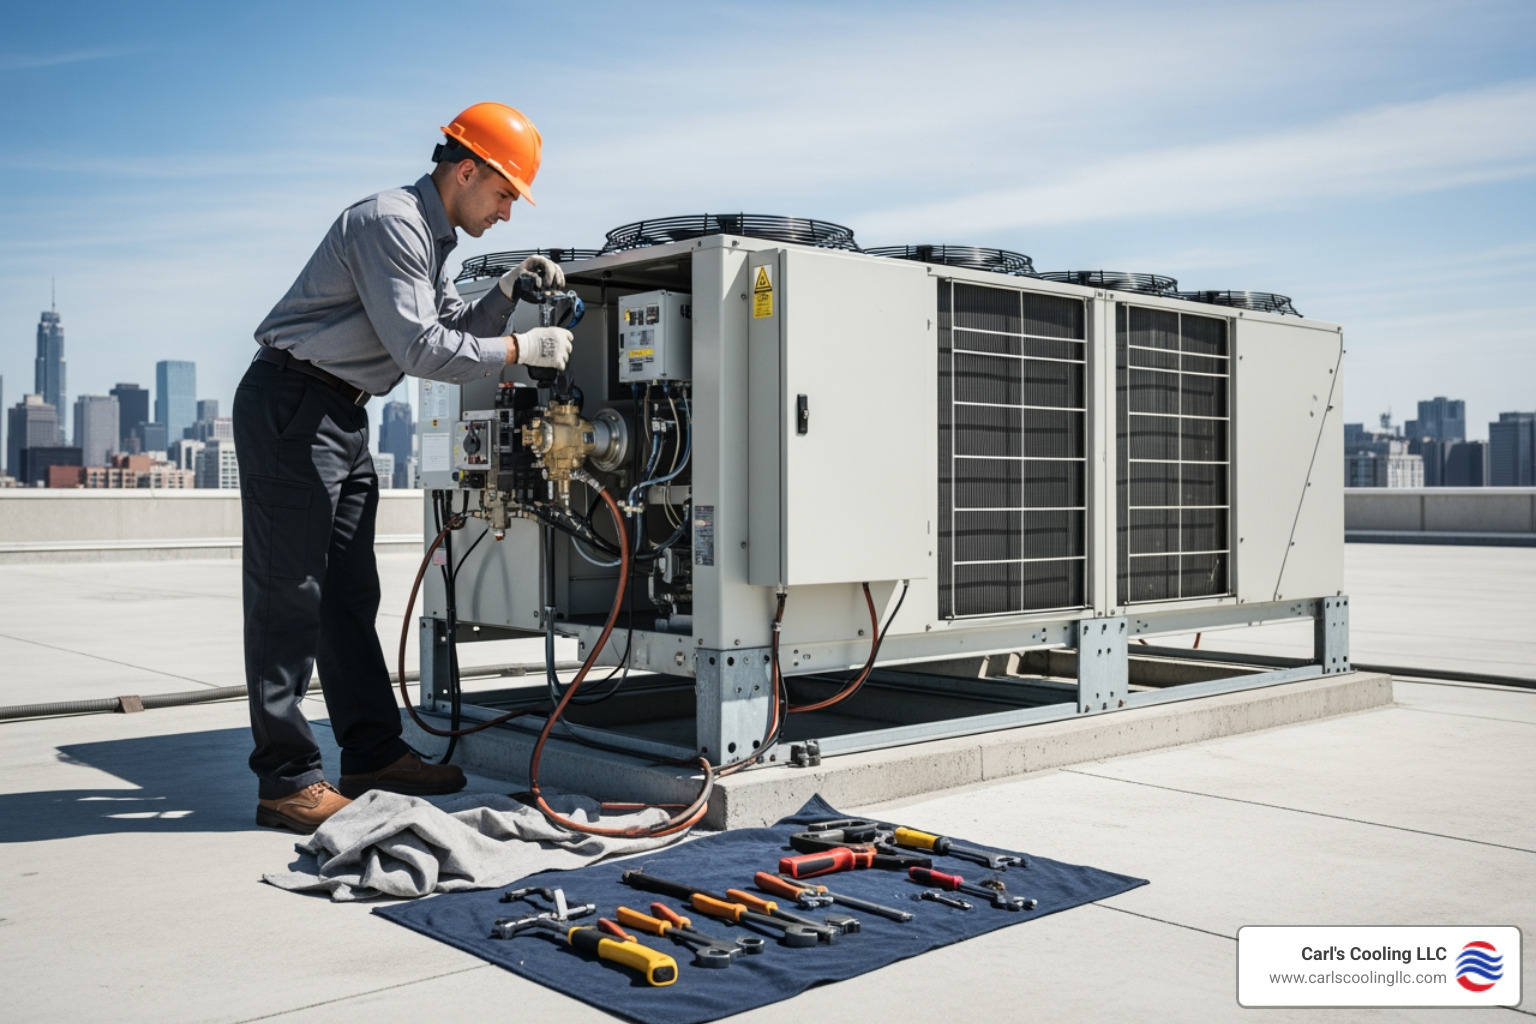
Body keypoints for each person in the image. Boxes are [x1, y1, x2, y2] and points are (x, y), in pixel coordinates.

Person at [235, 103, 574, 834]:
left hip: (340, 410)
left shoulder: (430, 237)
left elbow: (451, 327)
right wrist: (523, 350)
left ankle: (371, 755)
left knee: (349, 593)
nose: (507, 213)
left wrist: (506, 292)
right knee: (288, 594)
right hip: (295, 404)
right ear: (466, 170)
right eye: (505, 194)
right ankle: (286, 781)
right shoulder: (390, 223)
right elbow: (422, 349)